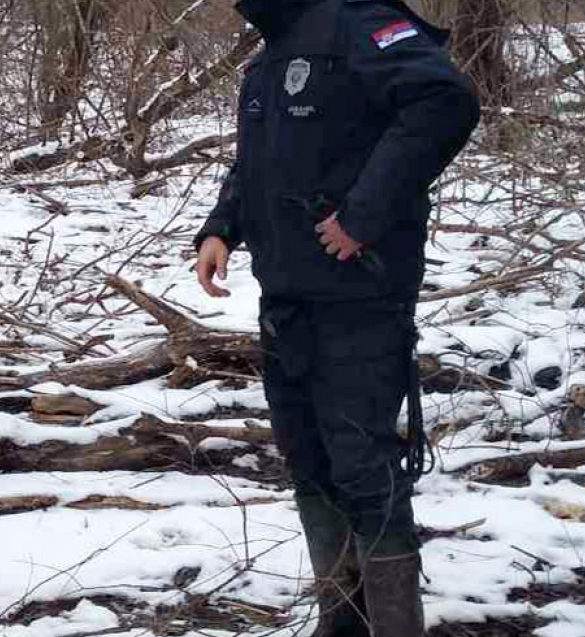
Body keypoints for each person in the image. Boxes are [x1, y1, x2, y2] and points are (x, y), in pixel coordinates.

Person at [192, 1, 479, 635]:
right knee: (308, 459)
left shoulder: (356, 18)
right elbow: (261, 159)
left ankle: (395, 625)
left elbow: (445, 101)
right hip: (286, 295)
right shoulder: (273, 48)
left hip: (360, 296)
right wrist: (222, 227)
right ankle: (341, 620)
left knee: (363, 465)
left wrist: (362, 216)